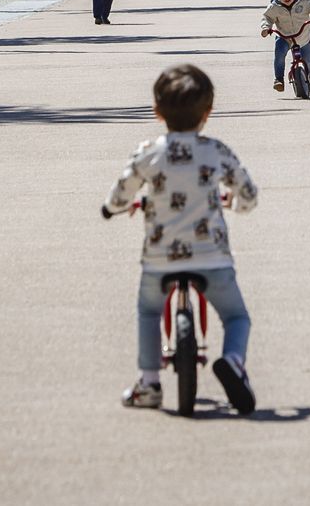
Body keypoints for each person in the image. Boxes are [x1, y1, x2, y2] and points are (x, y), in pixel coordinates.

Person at [103, 64, 258, 414]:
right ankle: (233, 361)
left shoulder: (148, 152)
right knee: (236, 317)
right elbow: (247, 192)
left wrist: (113, 206)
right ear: (208, 113)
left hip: (160, 259)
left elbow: (122, 191)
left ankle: (149, 383)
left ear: (157, 112)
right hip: (212, 257)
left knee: (148, 311)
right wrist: (236, 203)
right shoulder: (217, 151)